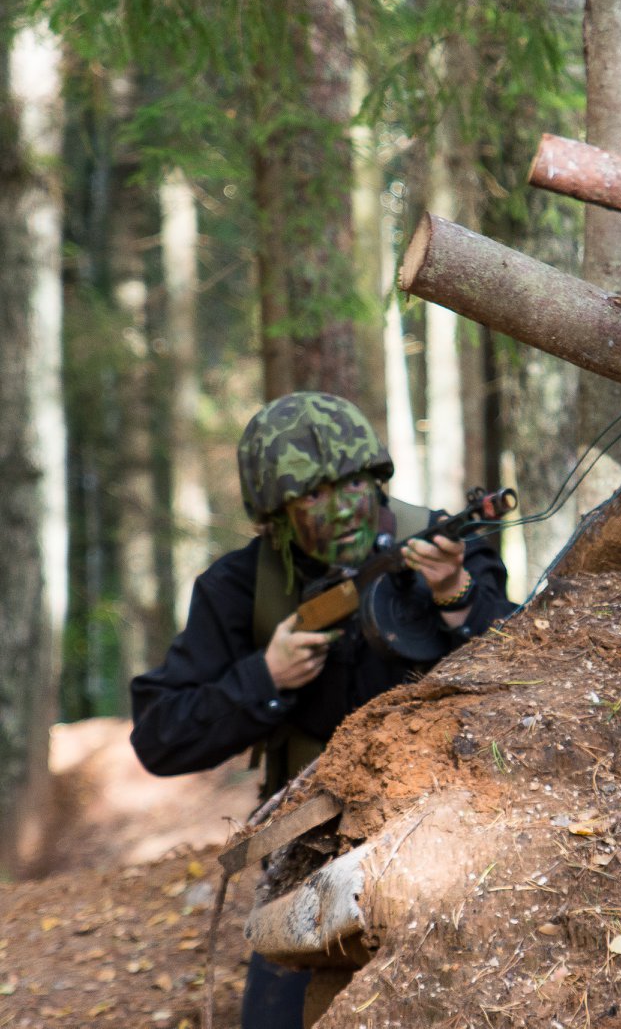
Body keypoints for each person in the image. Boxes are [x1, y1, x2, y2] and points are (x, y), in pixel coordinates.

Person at [130, 391, 513, 1028]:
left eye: (352, 484)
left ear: (376, 478)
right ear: (274, 517)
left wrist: (457, 596)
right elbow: (159, 737)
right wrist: (264, 678)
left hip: (447, 833)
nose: (340, 509)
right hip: (309, 844)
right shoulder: (241, 588)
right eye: (312, 496)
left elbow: (529, 674)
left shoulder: (442, 543)